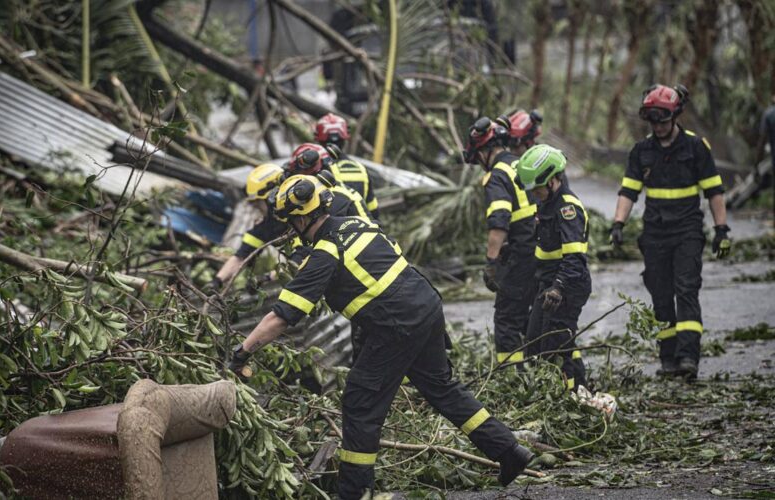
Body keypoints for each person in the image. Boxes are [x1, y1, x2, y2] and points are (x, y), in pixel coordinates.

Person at [228, 174, 534, 498]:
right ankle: (508, 450)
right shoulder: (358, 225)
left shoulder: (326, 252)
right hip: (427, 307)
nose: (290, 230)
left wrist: (243, 352)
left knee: (360, 402)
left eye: (291, 222)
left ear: (303, 217)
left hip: (397, 326)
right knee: (441, 387)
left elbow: (282, 316)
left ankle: (354, 492)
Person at [610, 84, 731, 380]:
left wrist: (721, 229)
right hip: (655, 233)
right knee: (661, 297)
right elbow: (628, 191)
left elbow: (714, 191)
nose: (658, 126)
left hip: (688, 230)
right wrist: (617, 224)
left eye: (662, 120)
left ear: (675, 116)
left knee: (686, 290)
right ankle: (668, 359)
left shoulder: (695, 147)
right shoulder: (641, 152)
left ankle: (688, 357)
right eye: (652, 121)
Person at [211, 150, 371, 290]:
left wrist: (266, 278)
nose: (256, 207)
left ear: (270, 196)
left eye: (257, 202)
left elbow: (303, 260)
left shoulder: (304, 216)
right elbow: (241, 255)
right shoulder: (268, 224)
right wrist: (217, 281)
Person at [463, 115, 537, 364]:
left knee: (506, 320)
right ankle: (541, 368)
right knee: (533, 316)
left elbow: (499, 221)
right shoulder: (523, 164)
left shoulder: (496, 176)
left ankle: (512, 378)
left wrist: (491, 262)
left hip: (519, 255)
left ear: (483, 151)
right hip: (542, 252)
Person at [515, 145, 589, 391]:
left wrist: (558, 288)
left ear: (553, 180)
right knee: (535, 342)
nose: (534, 193)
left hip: (567, 286)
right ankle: (576, 386)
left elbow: (574, 258)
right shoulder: (545, 203)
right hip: (548, 283)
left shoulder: (568, 209)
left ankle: (571, 394)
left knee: (555, 347)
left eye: (537, 188)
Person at [314, 114, 381, 218]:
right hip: (362, 229)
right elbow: (373, 210)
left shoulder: (315, 171)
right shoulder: (360, 169)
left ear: (318, 139)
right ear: (345, 138)